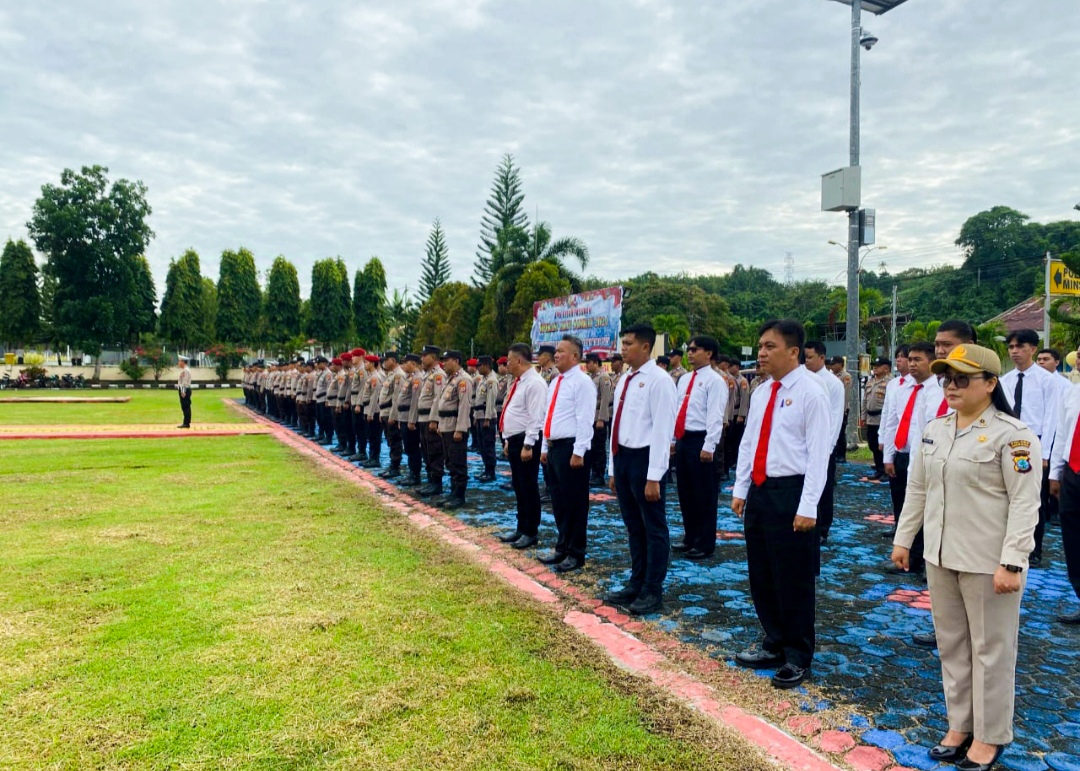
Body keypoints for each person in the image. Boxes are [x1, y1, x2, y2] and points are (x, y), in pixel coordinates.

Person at [892, 343, 1038, 770]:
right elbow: (918, 489)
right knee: (952, 646)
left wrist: (1012, 561)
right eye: (946, 379)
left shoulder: (1014, 436)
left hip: (988, 562)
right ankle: (960, 724)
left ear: (990, 383)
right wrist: (904, 539)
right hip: (941, 556)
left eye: (962, 379)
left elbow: (1025, 503)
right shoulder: (936, 429)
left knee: (991, 651)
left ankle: (990, 736)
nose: (951, 387)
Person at [732, 319, 831, 690]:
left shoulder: (811, 392)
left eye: (769, 346)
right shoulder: (762, 392)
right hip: (761, 490)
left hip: (792, 491)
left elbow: (819, 454)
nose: (761, 353)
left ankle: (797, 655)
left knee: (793, 577)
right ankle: (773, 641)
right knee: (762, 573)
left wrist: (808, 506)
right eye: (760, 346)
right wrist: (741, 487)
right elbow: (748, 443)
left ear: (793, 352)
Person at [603, 323, 678, 614]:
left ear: (646, 347)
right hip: (624, 457)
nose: (623, 349)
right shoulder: (625, 378)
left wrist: (655, 475)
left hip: (646, 459)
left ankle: (652, 589)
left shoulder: (659, 380)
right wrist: (613, 467)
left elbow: (662, 429)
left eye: (629, 344)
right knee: (634, 525)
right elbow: (617, 424)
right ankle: (636, 582)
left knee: (654, 527)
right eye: (622, 343)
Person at [880, 341, 943, 579]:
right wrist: (889, 455)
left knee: (930, 511)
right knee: (905, 506)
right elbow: (892, 421)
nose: (912, 364)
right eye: (910, 359)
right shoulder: (901, 387)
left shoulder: (939, 390)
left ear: (932, 362)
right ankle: (910, 557)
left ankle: (929, 562)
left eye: (918, 360)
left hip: (929, 458)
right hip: (904, 454)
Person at [1000, 328, 1061, 567]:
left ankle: (1033, 550)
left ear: (1033, 349)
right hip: (1010, 441)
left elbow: (1051, 418)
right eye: (1011, 347)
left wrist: (1044, 453)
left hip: (1035, 441)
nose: (1014, 351)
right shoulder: (1005, 380)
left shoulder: (1048, 380)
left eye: (1020, 347)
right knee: (1008, 495)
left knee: (1034, 499)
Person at [539, 335, 596, 573]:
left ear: (575, 356)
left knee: (575, 503)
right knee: (559, 502)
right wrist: (545, 447)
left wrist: (579, 451)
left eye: (561, 351)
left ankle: (576, 552)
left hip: (571, 448)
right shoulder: (556, 382)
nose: (556, 355)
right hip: (554, 448)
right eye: (556, 351)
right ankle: (562, 547)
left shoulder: (582, 382)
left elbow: (585, 419)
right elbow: (549, 416)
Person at [671, 335, 726, 560]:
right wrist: (673, 440)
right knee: (685, 491)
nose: (690, 353)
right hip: (684, 438)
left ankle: (704, 543)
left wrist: (709, 445)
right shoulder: (684, 379)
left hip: (701, 440)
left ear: (709, 353)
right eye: (690, 350)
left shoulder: (715, 380)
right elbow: (677, 409)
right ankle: (690, 536)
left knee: (704, 494)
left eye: (695, 350)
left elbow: (715, 415)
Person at [497, 342, 548, 550]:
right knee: (519, 485)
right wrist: (508, 440)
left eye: (509, 360)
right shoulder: (519, 382)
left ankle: (531, 531)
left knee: (528, 486)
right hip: (515, 439)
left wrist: (528, 445)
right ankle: (521, 527)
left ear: (519, 360)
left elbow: (536, 417)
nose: (506, 364)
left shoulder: (534, 383)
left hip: (527, 441)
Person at [1050, 343, 1080, 624]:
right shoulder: (1072, 392)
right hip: (1072, 472)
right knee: (1073, 538)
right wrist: (1055, 473)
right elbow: (1062, 433)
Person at [804, 341, 844, 547]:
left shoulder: (833, 383)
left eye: (810, 357)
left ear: (821, 358)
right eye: (804, 357)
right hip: (804, 446)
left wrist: (827, 449)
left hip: (824, 446)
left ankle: (822, 529)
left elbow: (835, 418)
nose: (806, 361)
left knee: (824, 489)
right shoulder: (802, 379)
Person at [433, 350, 472, 509]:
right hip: (446, 425)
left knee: (458, 462)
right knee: (450, 461)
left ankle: (459, 496)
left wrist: (460, 429)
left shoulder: (463, 379)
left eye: (447, 360)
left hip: (455, 426)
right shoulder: (451, 379)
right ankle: (453, 492)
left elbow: (464, 406)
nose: (444, 363)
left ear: (456, 361)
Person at [416, 345, 447, 498]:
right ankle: (430, 480)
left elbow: (437, 398)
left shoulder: (438, 375)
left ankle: (436, 483)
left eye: (425, 356)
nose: (422, 358)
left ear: (433, 357)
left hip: (430, 419)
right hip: (423, 418)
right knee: (426, 451)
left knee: (434, 451)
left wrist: (434, 419)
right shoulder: (427, 375)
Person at [584, 352, 613, 488]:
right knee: (591, 446)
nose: (586, 365)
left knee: (598, 448)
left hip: (598, 417)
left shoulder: (604, 377)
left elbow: (605, 400)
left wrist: (601, 418)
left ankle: (598, 475)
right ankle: (593, 473)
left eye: (588, 363)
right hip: (590, 417)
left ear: (596, 363)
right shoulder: (591, 378)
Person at [398, 354, 425, 487]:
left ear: (413, 363)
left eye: (406, 362)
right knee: (408, 447)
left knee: (413, 447)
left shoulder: (417, 378)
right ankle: (411, 472)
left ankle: (415, 475)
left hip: (410, 417)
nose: (404, 365)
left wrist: (412, 420)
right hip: (404, 416)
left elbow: (415, 401)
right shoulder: (410, 377)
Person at [862, 358, 891, 480]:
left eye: (878, 366)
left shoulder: (890, 383)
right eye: (874, 365)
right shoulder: (870, 382)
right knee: (873, 445)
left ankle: (885, 470)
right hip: (870, 418)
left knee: (882, 446)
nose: (875, 368)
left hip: (881, 418)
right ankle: (879, 469)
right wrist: (863, 417)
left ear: (886, 368)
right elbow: (865, 401)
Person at [378, 352, 406, 478]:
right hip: (385, 411)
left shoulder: (399, 375)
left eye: (386, 360)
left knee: (395, 441)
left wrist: (393, 416)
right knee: (390, 441)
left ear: (393, 360)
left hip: (391, 413)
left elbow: (396, 398)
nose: (384, 362)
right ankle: (392, 465)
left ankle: (395, 467)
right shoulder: (391, 375)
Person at [474, 356, 499, 482]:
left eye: (479, 365)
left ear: (486, 366)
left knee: (488, 445)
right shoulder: (483, 379)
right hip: (480, 415)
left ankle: (491, 472)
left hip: (486, 416)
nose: (477, 368)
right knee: (482, 446)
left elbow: (490, 401)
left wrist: (487, 418)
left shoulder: (491, 381)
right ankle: (486, 469)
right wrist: (475, 416)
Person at [829, 357, 853, 461]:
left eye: (834, 364)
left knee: (840, 431)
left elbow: (845, 394)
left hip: (842, 408)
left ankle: (841, 454)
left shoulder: (845, 376)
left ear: (840, 364)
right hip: (832, 408)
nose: (832, 366)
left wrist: (842, 409)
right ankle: (834, 453)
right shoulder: (830, 375)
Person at [176, 356, 192, 428]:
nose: (178, 363)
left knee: (186, 406)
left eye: (179, 361)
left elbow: (184, 382)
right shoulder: (184, 370)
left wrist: (183, 391)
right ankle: (186, 422)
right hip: (184, 389)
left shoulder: (186, 371)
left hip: (184, 390)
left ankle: (186, 423)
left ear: (183, 362)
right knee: (184, 406)